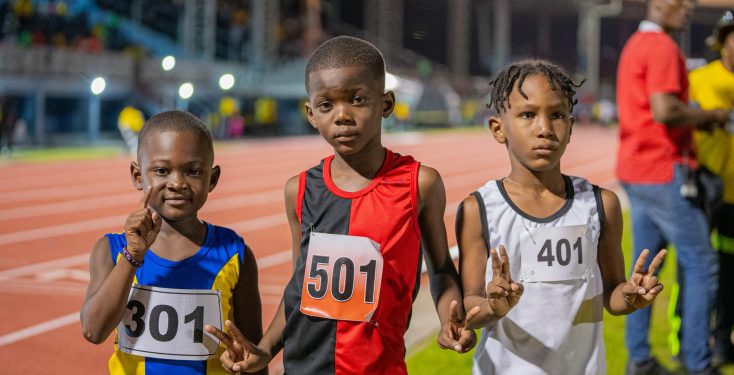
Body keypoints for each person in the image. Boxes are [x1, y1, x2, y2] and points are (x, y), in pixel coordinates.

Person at [205, 35, 476, 373]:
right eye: (326, 105)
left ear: (386, 104)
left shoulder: (419, 184)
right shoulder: (299, 190)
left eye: (358, 99)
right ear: (311, 114)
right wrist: (265, 350)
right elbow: (298, 288)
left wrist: (451, 316)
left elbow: (439, 270)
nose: (342, 115)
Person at [457, 59, 666, 374]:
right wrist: (492, 307)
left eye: (556, 115)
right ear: (498, 129)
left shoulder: (599, 205)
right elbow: (470, 303)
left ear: (570, 128)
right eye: (528, 115)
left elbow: (613, 294)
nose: (544, 129)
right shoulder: (479, 209)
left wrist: (630, 296)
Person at [80, 111, 265, 374]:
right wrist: (132, 255)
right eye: (162, 170)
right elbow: (93, 330)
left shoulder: (235, 254)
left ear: (212, 179)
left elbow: (252, 354)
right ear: (137, 175)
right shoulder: (110, 251)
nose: (177, 183)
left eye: (193, 171)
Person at [616, 0, 729, 375]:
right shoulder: (662, 46)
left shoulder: (636, 44)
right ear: (656, 0)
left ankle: (639, 359)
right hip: (665, 171)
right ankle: (699, 362)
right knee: (702, 262)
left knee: (645, 269)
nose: (688, 5)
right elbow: (665, 110)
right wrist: (709, 116)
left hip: (637, 171)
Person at [689, 6, 734, 366]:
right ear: (723, 44)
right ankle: (688, 341)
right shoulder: (702, 79)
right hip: (709, 192)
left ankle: (724, 341)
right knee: (697, 271)